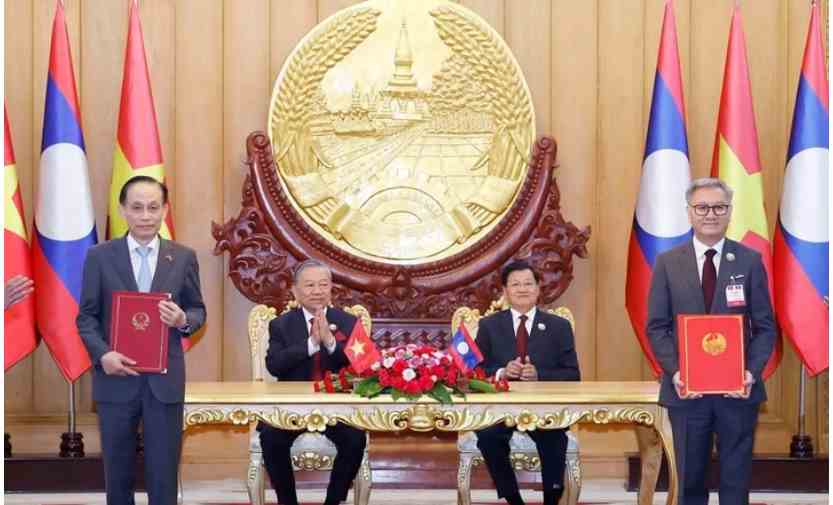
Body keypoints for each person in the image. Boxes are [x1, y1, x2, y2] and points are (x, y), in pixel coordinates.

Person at [77, 175, 206, 505]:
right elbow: (86, 317)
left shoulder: (183, 257)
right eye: (137, 208)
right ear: (123, 210)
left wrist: (183, 320)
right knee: (118, 475)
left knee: (163, 475)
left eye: (153, 207)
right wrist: (102, 354)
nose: (146, 216)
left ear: (165, 210)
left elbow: (198, 310)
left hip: (164, 383)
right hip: (115, 379)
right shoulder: (99, 256)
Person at [647, 177, 775, 505]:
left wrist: (750, 372)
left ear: (729, 212)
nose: (710, 214)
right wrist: (677, 372)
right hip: (686, 391)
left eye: (719, 207)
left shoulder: (749, 260)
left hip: (738, 391)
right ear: (689, 212)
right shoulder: (667, 263)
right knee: (690, 480)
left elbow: (765, 328)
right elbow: (657, 327)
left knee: (736, 479)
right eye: (702, 207)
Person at [259, 259, 366, 505]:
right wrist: (311, 344)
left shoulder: (348, 322)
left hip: (336, 406)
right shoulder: (281, 324)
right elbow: (274, 365)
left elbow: (360, 365)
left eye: (323, 285)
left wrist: (330, 342)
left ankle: (333, 501)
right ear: (295, 291)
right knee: (271, 438)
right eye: (309, 285)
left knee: (355, 439)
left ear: (331, 288)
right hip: (291, 406)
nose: (317, 291)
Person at [475, 259, 580, 505]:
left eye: (528, 283)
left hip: (544, 409)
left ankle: (551, 500)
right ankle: (514, 500)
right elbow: (474, 371)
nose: (522, 289)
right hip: (500, 408)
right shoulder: (489, 326)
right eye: (515, 284)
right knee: (488, 437)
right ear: (505, 290)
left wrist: (539, 374)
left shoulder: (559, 326)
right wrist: (502, 371)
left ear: (538, 287)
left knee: (555, 438)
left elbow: (572, 374)